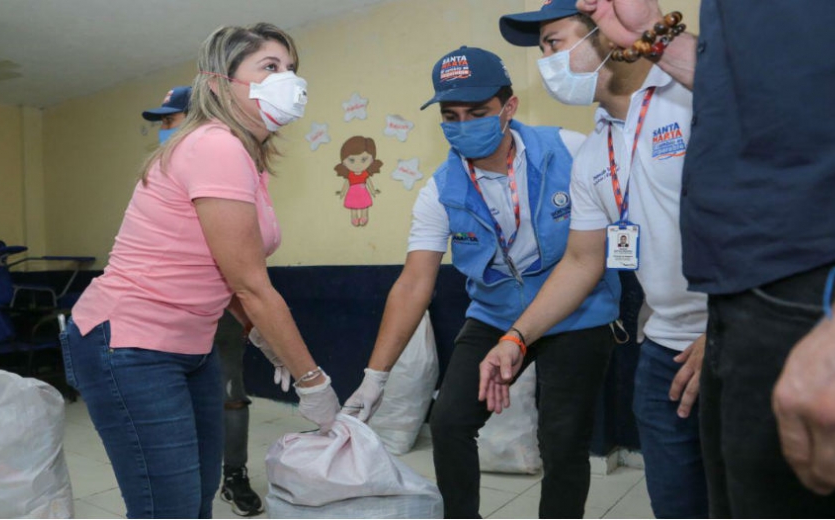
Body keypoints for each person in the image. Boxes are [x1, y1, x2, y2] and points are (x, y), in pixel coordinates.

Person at [61, 23, 338, 518]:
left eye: (291, 68)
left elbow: (219, 267)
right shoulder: (215, 145)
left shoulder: (246, 157)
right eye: (270, 67)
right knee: (168, 507)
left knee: (198, 495)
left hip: (190, 345)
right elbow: (251, 284)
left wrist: (263, 338)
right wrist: (311, 380)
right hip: (130, 344)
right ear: (218, 84)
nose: (289, 80)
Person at [576, 0, 835, 517]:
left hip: (805, 302)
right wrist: (653, 33)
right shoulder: (593, 152)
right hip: (737, 312)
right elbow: (760, 93)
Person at [342, 46, 622, 519]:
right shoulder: (440, 190)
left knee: (564, 439)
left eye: (478, 112)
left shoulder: (570, 151)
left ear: (508, 108)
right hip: (494, 313)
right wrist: (375, 378)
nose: (462, 124)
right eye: (451, 115)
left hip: (576, 312)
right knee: (449, 423)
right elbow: (414, 283)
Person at [483, 1, 709, 516]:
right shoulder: (592, 152)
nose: (545, 62)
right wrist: (517, 336)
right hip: (664, 350)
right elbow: (583, 262)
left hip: (741, 335)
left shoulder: (696, 96)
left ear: (604, 35)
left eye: (552, 43)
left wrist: (730, 327)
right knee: (678, 504)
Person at [142, 86, 265, 517]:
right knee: (175, 401)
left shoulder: (226, 165)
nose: (163, 129)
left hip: (220, 307)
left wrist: (254, 319)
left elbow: (238, 252)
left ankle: (234, 477)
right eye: (161, 122)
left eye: (169, 120)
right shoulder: (160, 172)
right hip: (166, 312)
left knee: (231, 393)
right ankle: (188, 478)